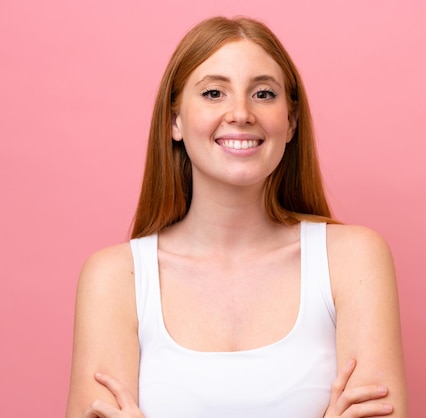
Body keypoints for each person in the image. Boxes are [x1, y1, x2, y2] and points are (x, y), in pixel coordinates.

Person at [66, 16, 407, 417]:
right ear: (174, 120)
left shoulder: (353, 260)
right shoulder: (114, 279)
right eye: (214, 93)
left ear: (291, 122)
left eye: (263, 94)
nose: (241, 113)